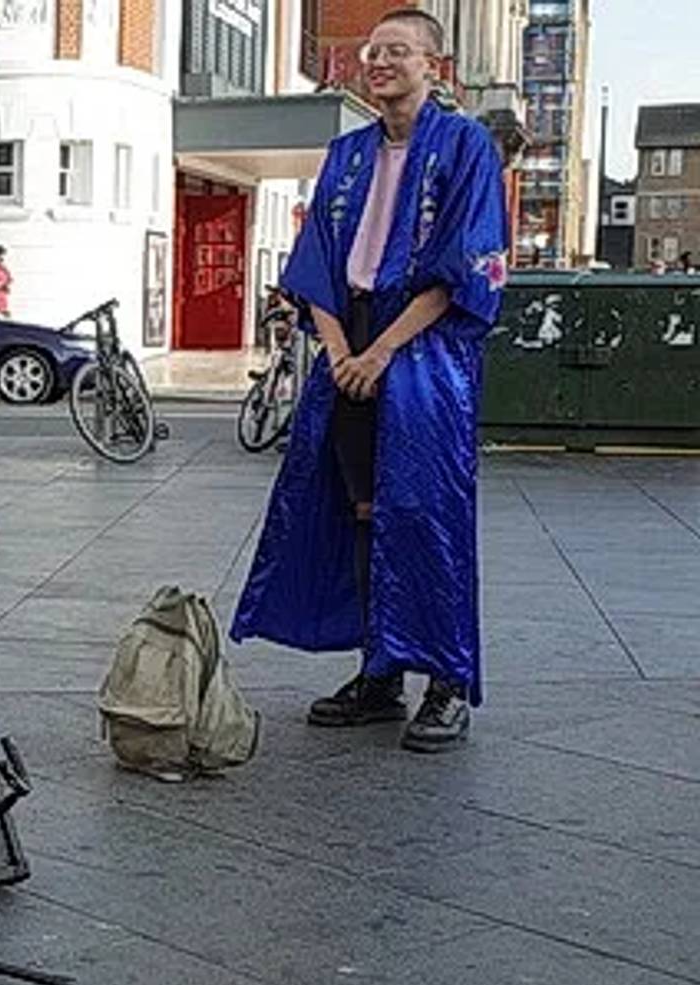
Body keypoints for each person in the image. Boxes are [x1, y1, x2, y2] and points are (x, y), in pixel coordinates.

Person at [231, 8, 508, 752]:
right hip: (346, 341)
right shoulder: (347, 151)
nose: (378, 61)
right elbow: (317, 258)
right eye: (371, 51)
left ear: (434, 67)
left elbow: (465, 264)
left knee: (426, 513)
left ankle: (445, 681)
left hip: (423, 349)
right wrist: (340, 349)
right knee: (358, 508)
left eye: (397, 51)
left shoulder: (465, 146)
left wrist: (381, 350)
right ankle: (381, 671)